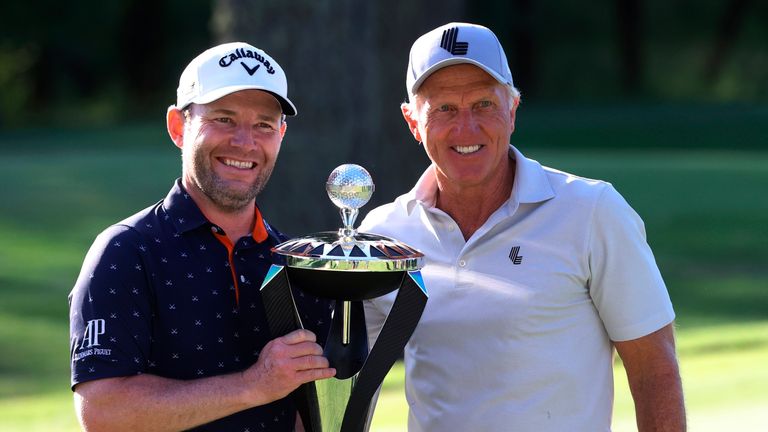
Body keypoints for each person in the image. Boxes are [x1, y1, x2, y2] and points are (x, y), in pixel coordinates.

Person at [362, 23, 686, 431]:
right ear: (413, 121)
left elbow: (654, 370)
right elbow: (351, 381)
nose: (466, 128)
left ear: (512, 110)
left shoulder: (592, 212)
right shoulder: (384, 235)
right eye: (444, 108)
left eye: (483, 104)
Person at [69, 42, 335, 431]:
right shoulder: (127, 251)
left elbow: (309, 414)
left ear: (281, 134)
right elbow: (103, 413)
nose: (244, 142)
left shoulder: (297, 262)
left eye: (263, 124)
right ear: (179, 127)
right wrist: (255, 384)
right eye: (224, 119)